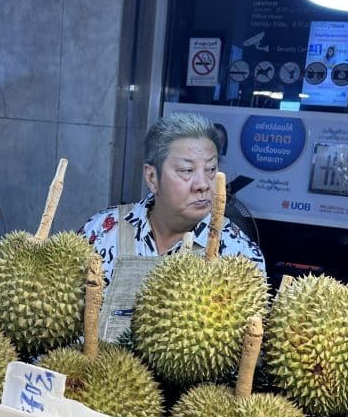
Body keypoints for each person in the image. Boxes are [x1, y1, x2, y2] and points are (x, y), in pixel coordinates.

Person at [80, 111, 266, 286]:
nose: (203, 184)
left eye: (211, 170)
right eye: (187, 170)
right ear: (152, 177)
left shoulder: (241, 256)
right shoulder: (101, 232)